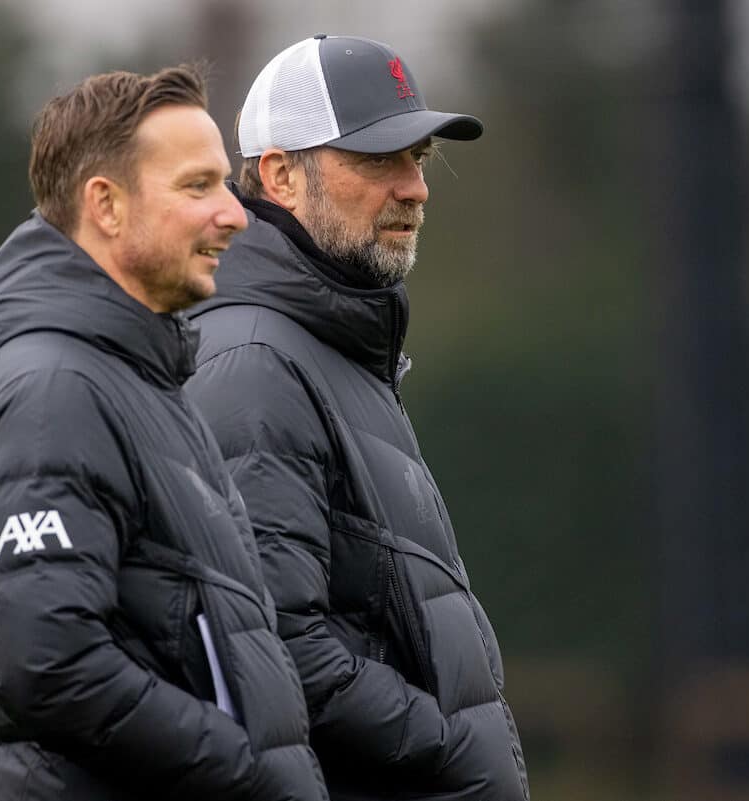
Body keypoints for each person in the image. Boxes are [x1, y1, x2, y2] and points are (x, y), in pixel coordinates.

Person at [0, 65, 328, 801]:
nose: (236, 214)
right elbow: (47, 664)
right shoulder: (55, 389)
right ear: (107, 205)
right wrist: (242, 766)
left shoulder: (139, 374)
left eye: (226, 182)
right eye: (198, 187)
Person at [184, 36, 529, 801]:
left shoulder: (332, 344)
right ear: (279, 175)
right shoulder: (254, 363)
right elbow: (278, 647)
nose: (416, 188)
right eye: (379, 160)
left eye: (420, 157)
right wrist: (450, 749)